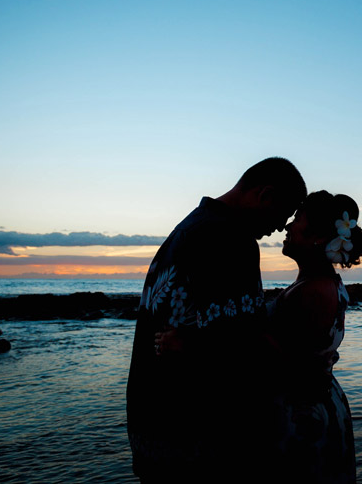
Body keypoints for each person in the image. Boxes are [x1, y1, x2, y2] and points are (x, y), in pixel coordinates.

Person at [126, 157, 306, 481]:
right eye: (284, 214)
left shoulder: (192, 226)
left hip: (155, 423)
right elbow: (242, 344)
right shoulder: (228, 238)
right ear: (265, 195)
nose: (280, 227)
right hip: (195, 436)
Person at [264, 190, 362, 483]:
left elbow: (282, 359)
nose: (287, 226)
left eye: (298, 218)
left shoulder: (315, 291)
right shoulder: (314, 283)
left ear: (319, 237)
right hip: (311, 403)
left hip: (303, 414)